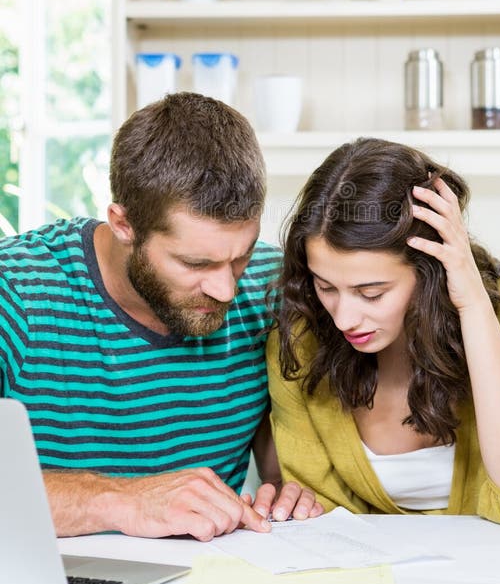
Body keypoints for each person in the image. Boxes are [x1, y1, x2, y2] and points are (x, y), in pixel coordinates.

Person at [0, 93, 322, 541]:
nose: (226, 289)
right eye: (195, 264)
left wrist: (294, 494)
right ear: (123, 224)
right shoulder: (15, 292)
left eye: (241, 256)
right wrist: (121, 500)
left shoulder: (271, 285)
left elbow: (300, 467)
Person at [267, 137, 500, 531]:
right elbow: (325, 521)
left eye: (371, 293)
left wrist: (473, 307)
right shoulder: (303, 341)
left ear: (431, 270)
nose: (344, 319)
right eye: (326, 287)